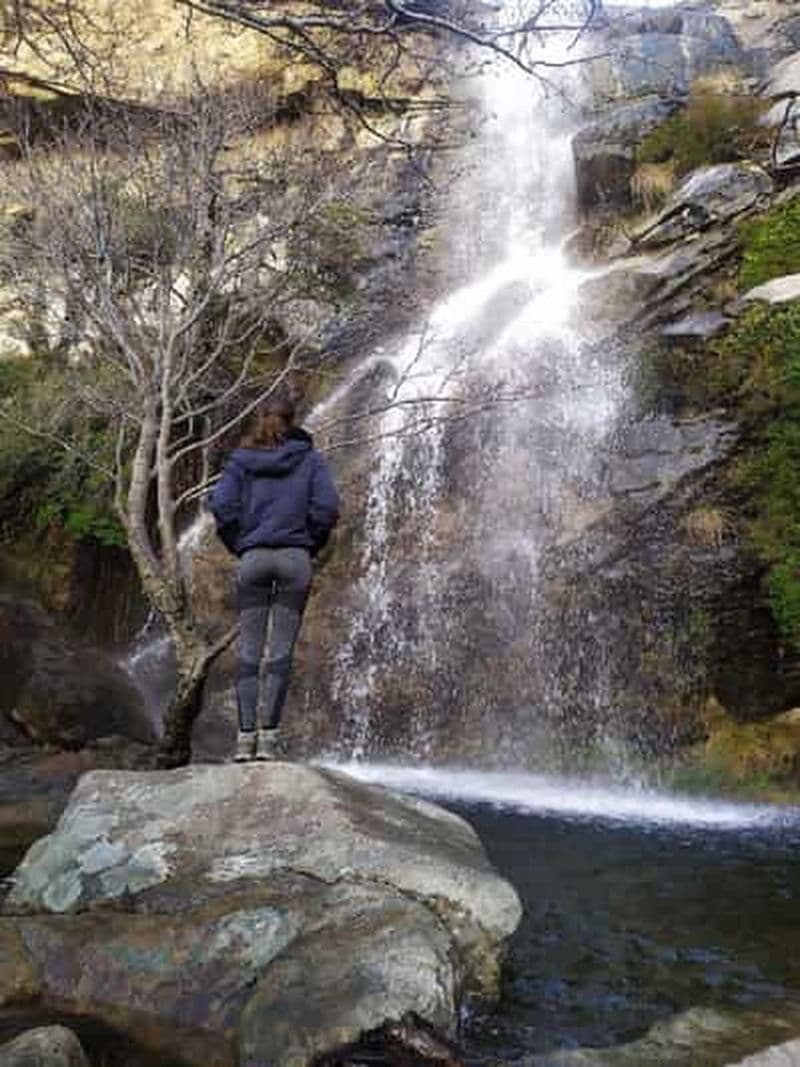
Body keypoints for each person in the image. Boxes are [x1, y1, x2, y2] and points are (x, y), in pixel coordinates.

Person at [209, 393, 339, 762]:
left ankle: (244, 741)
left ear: (260, 420)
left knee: (249, 652)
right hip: (295, 559)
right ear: (292, 421)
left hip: (253, 558)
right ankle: (268, 741)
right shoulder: (311, 460)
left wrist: (240, 543)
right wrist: (310, 541)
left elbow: (222, 506)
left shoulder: (240, 461)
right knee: (280, 652)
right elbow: (328, 508)